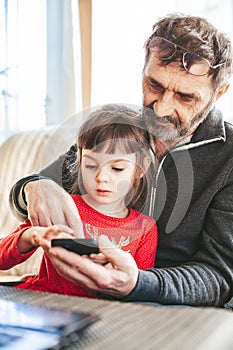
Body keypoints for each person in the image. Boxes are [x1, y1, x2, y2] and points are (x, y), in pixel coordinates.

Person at [9, 13, 233, 306]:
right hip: (76, 296)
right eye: (154, 85)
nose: (162, 108)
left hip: (171, 307)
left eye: (185, 97)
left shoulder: (228, 159)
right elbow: (27, 193)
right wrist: (34, 188)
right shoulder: (118, 127)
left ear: (219, 92)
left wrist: (138, 283)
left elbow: (218, 277)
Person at [0, 105, 158, 297]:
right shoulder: (63, 205)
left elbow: (138, 291)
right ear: (78, 161)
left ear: (141, 168)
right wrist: (30, 235)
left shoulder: (145, 229)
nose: (101, 177)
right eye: (91, 165)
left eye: (116, 169)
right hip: (43, 300)